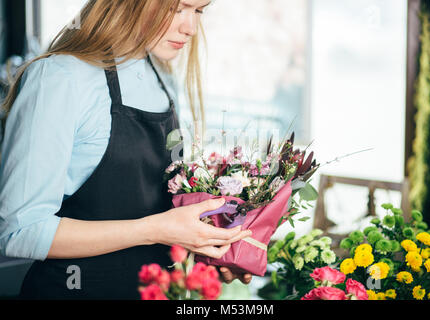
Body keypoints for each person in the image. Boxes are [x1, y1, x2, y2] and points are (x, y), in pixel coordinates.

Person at [0, 0, 252, 300]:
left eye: (198, 11)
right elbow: (20, 232)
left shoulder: (163, 79)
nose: (191, 29)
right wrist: (155, 230)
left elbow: (160, 214)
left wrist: (210, 249)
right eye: (177, 8)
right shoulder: (59, 76)